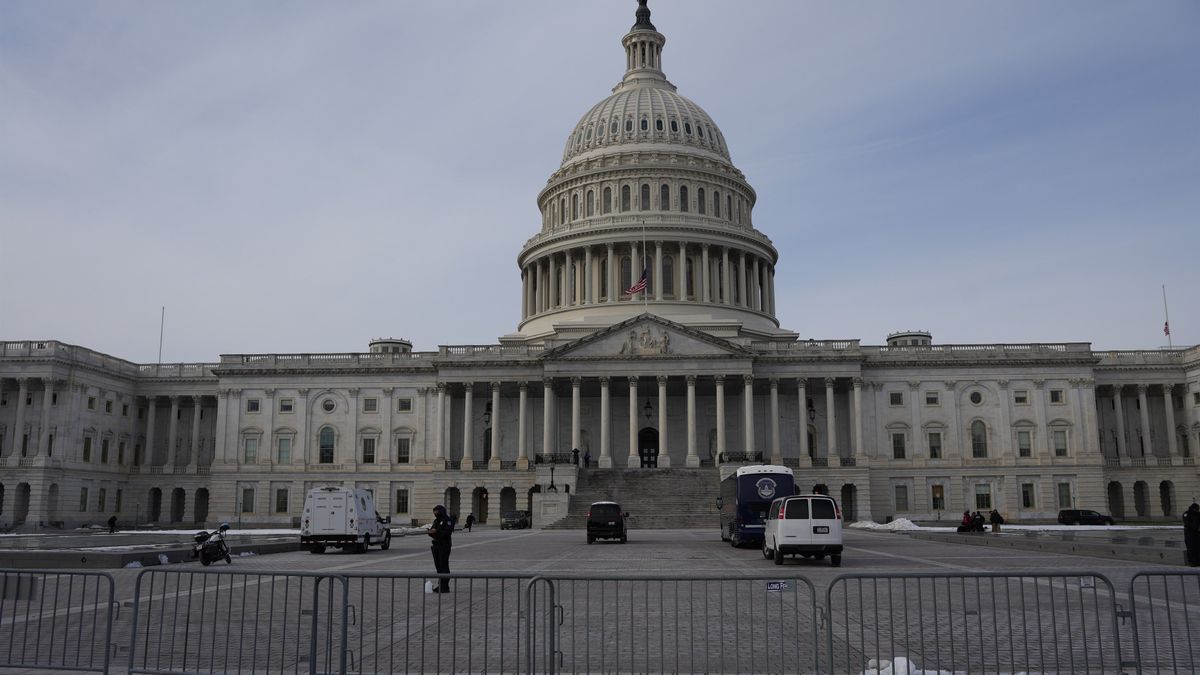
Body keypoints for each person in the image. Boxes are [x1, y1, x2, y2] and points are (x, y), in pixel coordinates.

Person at [427, 505, 454, 592]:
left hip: (444, 546)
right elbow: (433, 531)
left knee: (444, 566)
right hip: (436, 545)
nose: (435, 514)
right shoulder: (436, 521)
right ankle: (441, 584)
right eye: (434, 512)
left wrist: (437, 531)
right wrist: (430, 532)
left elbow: (447, 532)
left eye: (437, 512)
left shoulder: (448, 520)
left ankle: (445, 586)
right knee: (438, 566)